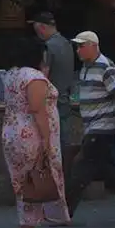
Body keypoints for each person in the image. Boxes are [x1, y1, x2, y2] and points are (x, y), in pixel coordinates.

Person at [1, 36, 71, 228]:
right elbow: (37, 109)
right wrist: (47, 139)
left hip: (12, 133)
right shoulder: (34, 77)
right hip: (31, 135)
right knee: (37, 177)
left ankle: (27, 227)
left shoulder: (11, 75)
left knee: (23, 182)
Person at [65, 30, 115, 217]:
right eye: (77, 47)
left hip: (102, 128)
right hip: (92, 127)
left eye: (81, 46)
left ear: (93, 46)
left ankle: (65, 212)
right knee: (109, 171)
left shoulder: (105, 67)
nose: (78, 50)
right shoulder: (85, 68)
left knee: (81, 169)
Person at [28, 11, 76, 167]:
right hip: (65, 98)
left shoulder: (48, 47)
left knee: (53, 145)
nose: (39, 35)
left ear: (42, 28)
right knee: (65, 142)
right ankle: (67, 174)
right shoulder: (68, 44)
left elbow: (44, 75)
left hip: (52, 102)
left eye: (38, 31)